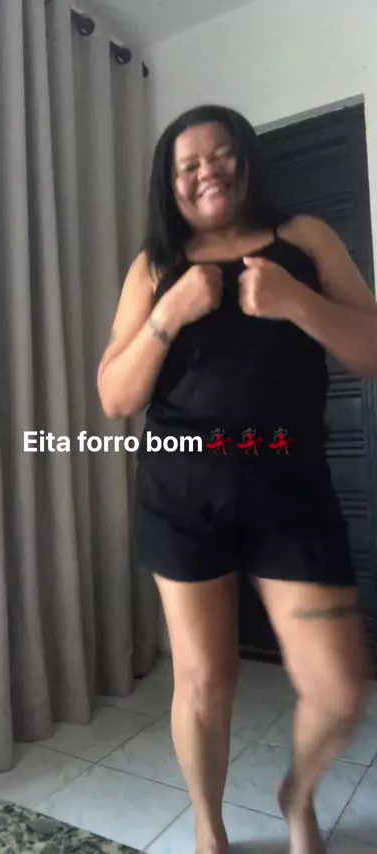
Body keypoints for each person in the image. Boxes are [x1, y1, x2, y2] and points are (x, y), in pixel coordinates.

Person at [97, 105, 377, 854]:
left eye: (220, 154)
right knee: (204, 679)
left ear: (246, 159)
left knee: (339, 689)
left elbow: (372, 347)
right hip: (183, 498)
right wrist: (169, 313)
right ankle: (208, 824)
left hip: (291, 493)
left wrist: (296, 302)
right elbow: (116, 397)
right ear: (170, 183)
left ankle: (298, 795)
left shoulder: (305, 239)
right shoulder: (154, 265)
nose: (207, 172)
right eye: (188, 165)